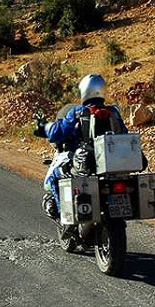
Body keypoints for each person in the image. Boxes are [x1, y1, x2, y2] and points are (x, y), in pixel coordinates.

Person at [33, 73, 127, 220]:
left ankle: (64, 216)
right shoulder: (113, 112)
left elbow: (58, 131)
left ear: (84, 90)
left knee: (55, 176)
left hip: (86, 164)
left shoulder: (78, 112)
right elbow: (124, 134)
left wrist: (44, 127)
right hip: (114, 166)